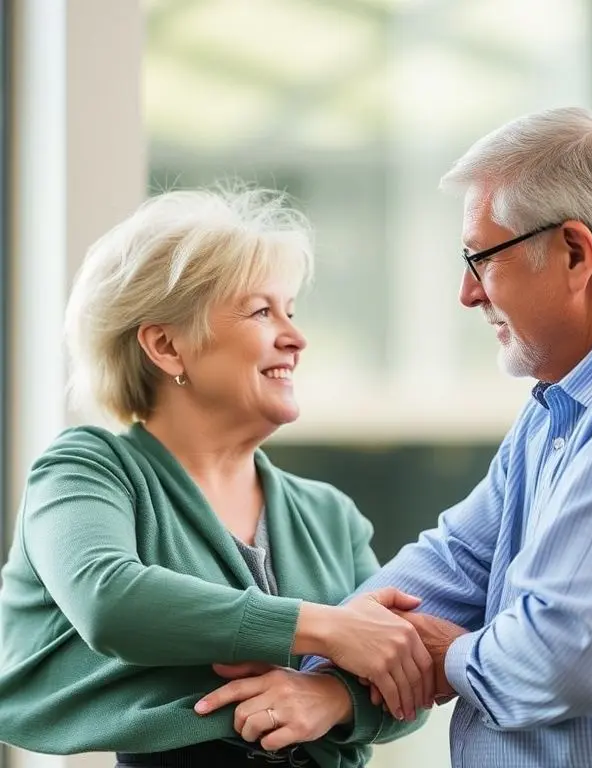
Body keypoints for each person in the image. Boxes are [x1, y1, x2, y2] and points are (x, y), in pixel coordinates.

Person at [299, 106, 592, 767]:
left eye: (481, 259)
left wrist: (447, 655)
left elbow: (565, 657)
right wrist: (328, 652)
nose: (467, 293)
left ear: (575, 252)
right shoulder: (569, 396)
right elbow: (458, 563)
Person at [0, 188, 431, 768]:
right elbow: (109, 600)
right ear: (166, 345)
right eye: (261, 311)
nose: (296, 338)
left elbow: (406, 673)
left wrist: (329, 696)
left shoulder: (330, 514)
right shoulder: (87, 467)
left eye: (291, 311)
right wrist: (325, 629)